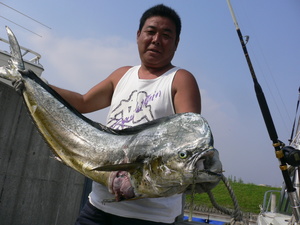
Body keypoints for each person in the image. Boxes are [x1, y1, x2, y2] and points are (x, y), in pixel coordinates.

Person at [50, 4, 201, 225]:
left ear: (176, 43)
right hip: (98, 207)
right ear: (138, 35)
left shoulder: (180, 79)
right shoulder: (122, 75)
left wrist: (139, 180)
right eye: (150, 32)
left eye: (166, 35)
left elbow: (190, 141)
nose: (156, 39)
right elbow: (82, 102)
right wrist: (35, 82)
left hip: (151, 216)